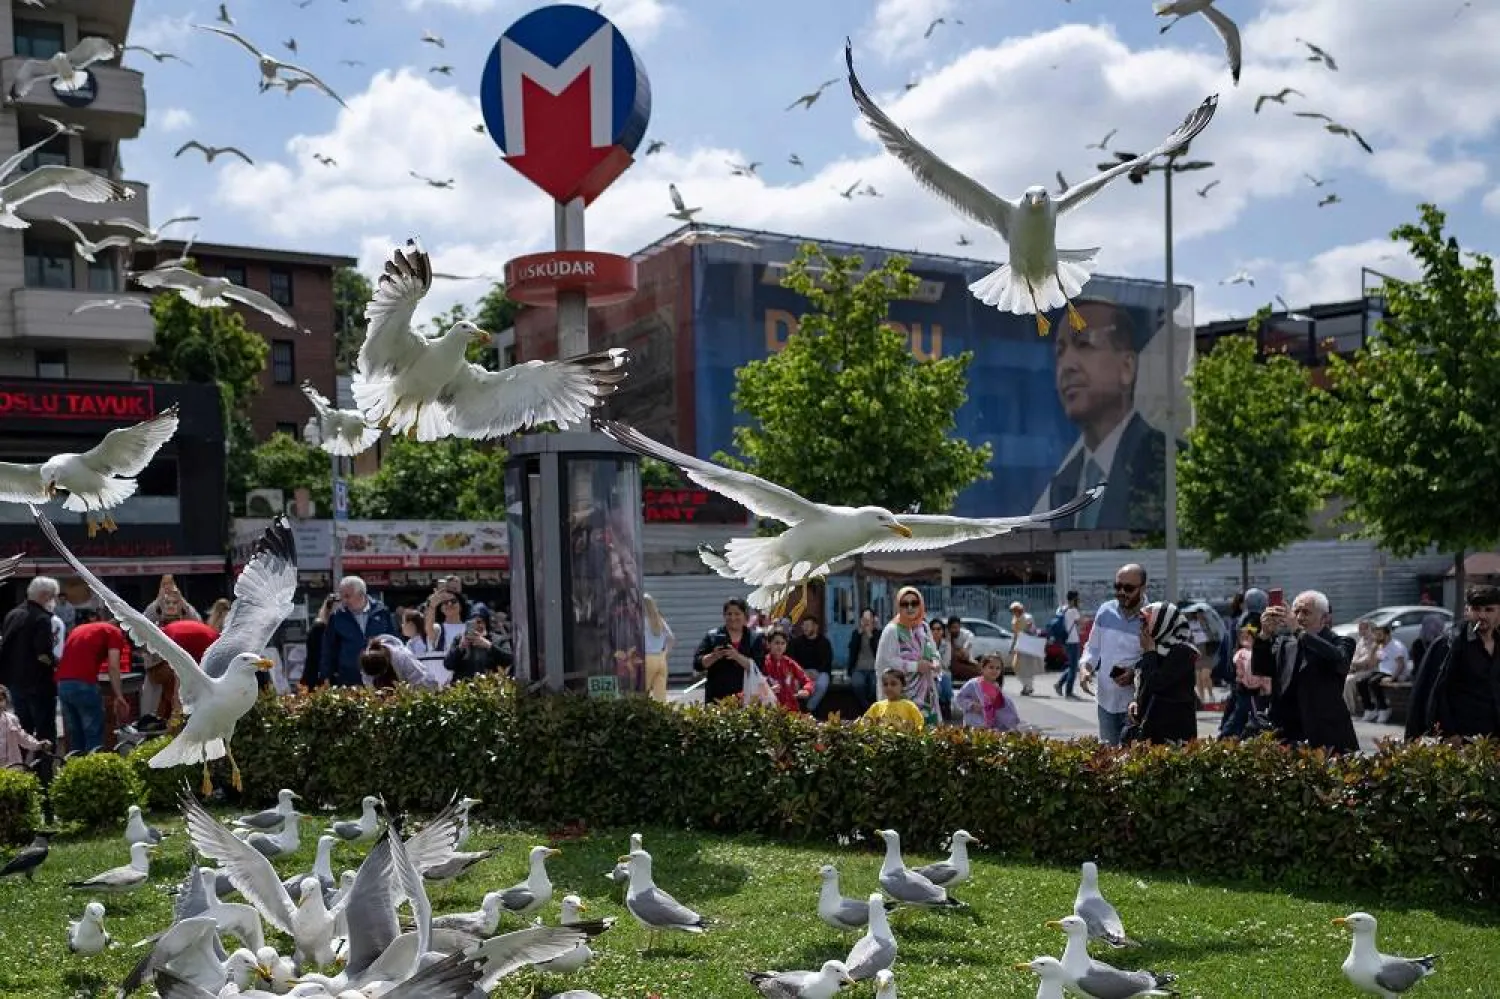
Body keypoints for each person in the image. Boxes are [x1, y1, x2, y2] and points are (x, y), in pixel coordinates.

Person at [1039, 299, 1173, 533]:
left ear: (1127, 367)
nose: (1066, 365)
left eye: (1083, 344)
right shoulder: (1063, 484)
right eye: (1059, 352)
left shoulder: (1167, 462)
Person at [1251, 590, 1359, 753]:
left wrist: (1299, 631)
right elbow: (1261, 669)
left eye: (1306, 613)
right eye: (1296, 612)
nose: (1299, 618)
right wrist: (1265, 634)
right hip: (1287, 731)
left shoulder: (1341, 642)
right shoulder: (1286, 643)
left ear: (1325, 618)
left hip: (1324, 733)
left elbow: (1338, 661)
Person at [1409, 586, 1500, 739]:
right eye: (1477, 609)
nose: (1482, 615)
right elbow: (1437, 690)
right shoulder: (1450, 644)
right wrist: (1449, 732)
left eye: (1489, 610)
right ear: (1467, 611)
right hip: (1464, 734)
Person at [1080, 563, 1151, 745]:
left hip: (1135, 704)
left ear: (1143, 588)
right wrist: (1085, 668)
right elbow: (1093, 647)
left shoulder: (1152, 618)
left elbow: (1155, 659)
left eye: (1128, 588)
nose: (1122, 592)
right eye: (1117, 587)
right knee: (1108, 759)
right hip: (1105, 701)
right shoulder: (1105, 611)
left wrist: (1134, 673)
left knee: (1133, 761)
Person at [0, 576, 61, 783]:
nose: (53, 601)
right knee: (44, 734)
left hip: (15, 684)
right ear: (45, 596)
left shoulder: (12, 615)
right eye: (52, 597)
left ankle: (17, 775)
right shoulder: (42, 619)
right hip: (39, 685)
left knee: (20, 732)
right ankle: (44, 778)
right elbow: (43, 654)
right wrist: (55, 663)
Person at [53, 612, 131, 754]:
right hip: (84, 683)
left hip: (62, 683)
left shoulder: (80, 629)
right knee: (93, 731)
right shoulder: (115, 632)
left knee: (74, 734)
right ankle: (93, 770)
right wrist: (119, 696)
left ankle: (75, 770)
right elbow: (114, 666)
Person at [1126, 602, 1199, 744]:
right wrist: (1136, 703)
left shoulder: (1182, 652)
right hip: (1151, 731)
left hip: (1173, 734)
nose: (1142, 630)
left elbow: (1157, 683)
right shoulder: (1156, 650)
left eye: (1146, 624)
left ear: (1162, 624)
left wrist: (1150, 653)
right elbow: (1145, 685)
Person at [875, 586, 943, 727]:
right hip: (901, 692)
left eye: (914, 603)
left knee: (927, 732)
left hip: (925, 691)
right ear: (898, 607)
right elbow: (886, 661)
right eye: (905, 604)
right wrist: (916, 666)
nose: (910, 608)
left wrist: (936, 662)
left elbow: (933, 651)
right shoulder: (892, 630)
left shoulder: (924, 627)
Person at [319, 576, 397, 688]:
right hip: (350, 679)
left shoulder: (382, 612)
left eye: (347, 596)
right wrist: (325, 676)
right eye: (342, 597)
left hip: (380, 677)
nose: (344, 601)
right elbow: (328, 648)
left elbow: (394, 642)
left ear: (361, 594)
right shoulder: (337, 617)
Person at [691, 598, 764, 704]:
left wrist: (736, 656)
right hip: (717, 698)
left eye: (737, 614)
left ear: (745, 615)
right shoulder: (712, 636)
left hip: (746, 697)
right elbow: (697, 664)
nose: (733, 618)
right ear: (724, 616)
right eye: (729, 614)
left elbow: (759, 667)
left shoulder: (754, 638)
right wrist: (714, 656)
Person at [954, 653, 1021, 732]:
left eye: (998, 668)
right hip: (975, 723)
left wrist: (1012, 721)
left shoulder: (996, 687)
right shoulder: (973, 684)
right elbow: (959, 698)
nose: (994, 671)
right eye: (991, 667)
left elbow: (1004, 708)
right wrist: (971, 705)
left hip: (992, 726)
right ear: (982, 668)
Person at [1357, 624, 1407, 723]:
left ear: (1387, 635)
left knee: (1373, 682)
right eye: (1376, 635)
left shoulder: (1396, 646)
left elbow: (1401, 665)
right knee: (1361, 682)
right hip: (1382, 672)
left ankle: (1384, 709)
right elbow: (1372, 664)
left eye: (1379, 635)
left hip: (1395, 673)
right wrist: (1372, 651)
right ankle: (1370, 709)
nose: (1376, 637)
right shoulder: (1380, 646)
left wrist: (1393, 678)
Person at [758, 627, 814, 712]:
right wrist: (769, 691)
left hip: (791, 710)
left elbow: (807, 680)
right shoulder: (762, 663)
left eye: (783, 643)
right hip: (770, 711)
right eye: (776, 643)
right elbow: (755, 688)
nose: (780, 646)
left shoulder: (790, 663)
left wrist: (807, 690)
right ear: (768, 644)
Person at [787, 615, 834, 715]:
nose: (805, 628)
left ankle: (808, 709)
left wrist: (817, 672)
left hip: (819, 672)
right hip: (801, 672)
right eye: (803, 626)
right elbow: (791, 660)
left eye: (808, 625)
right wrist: (802, 672)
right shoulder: (796, 642)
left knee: (821, 685)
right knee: (793, 683)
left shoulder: (824, 642)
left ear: (815, 627)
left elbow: (827, 661)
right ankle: (795, 709)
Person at [359, 635, 440, 692]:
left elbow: (422, 681)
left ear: (387, 662)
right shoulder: (367, 662)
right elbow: (370, 687)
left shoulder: (403, 657)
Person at [443, 615, 508, 682]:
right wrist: (460, 648)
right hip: (463, 688)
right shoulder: (459, 639)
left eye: (479, 622)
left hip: (489, 687)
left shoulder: (498, 639)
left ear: (486, 623)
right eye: (472, 623)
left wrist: (489, 646)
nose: (476, 626)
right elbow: (448, 665)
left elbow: (508, 660)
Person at [0, 683, 49, 770]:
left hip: (12, 768)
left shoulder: (11, 719)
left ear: (5, 701)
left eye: (1, 699)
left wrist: (38, 745)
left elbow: (23, 738)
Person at [861, 668, 926, 731]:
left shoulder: (909, 706)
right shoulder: (877, 706)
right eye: (885, 684)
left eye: (893, 684)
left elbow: (919, 724)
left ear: (902, 686)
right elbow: (864, 723)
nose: (889, 687)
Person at [846, 608, 881, 711]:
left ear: (873, 620)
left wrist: (870, 635)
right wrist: (859, 634)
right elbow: (852, 649)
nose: (866, 621)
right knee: (858, 684)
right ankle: (866, 707)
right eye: (864, 618)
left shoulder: (878, 633)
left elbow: (878, 651)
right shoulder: (856, 634)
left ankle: (871, 707)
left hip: (874, 668)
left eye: (868, 618)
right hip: (859, 667)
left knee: (874, 686)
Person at [642, 594, 675, 702]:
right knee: (660, 696)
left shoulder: (641, 621)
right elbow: (671, 638)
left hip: (647, 658)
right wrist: (665, 654)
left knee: (642, 693)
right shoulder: (659, 620)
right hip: (661, 659)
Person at [1052, 591, 1084, 700]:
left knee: (1072, 666)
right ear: (1074, 599)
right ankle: (1068, 692)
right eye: (1078, 598)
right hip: (1073, 641)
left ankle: (1059, 684)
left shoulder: (1062, 609)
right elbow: (1081, 623)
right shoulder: (1074, 610)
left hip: (1065, 640)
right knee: (1074, 667)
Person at [1008, 601, 1039, 696]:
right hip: (1019, 645)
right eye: (1013, 611)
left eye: (1015, 610)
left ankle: (1028, 687)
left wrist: (1029, 628)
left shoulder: (1027, 617)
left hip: (1027, 645)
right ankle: (1027, 686)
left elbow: (1033, 631)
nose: (1014, 612)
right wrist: (1012, 647)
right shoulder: (1014, 620)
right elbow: (1015, 634)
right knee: (1016, 666)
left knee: (1026, 667)